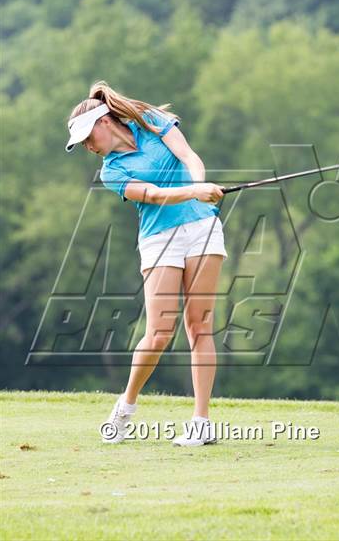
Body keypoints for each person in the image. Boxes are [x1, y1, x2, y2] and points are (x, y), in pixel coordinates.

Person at [65, 81, 227, 446]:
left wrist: (199, 186)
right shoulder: (111, 171)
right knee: (158, 333)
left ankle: (201, 423)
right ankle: (126, 408)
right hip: (159, 240)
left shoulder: (151, 121)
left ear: (104, 122)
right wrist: (192, 191)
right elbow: (152, 195)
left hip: (202, 227)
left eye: (88, 137)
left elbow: (188, 156)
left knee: (200, 326)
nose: (88, 147)